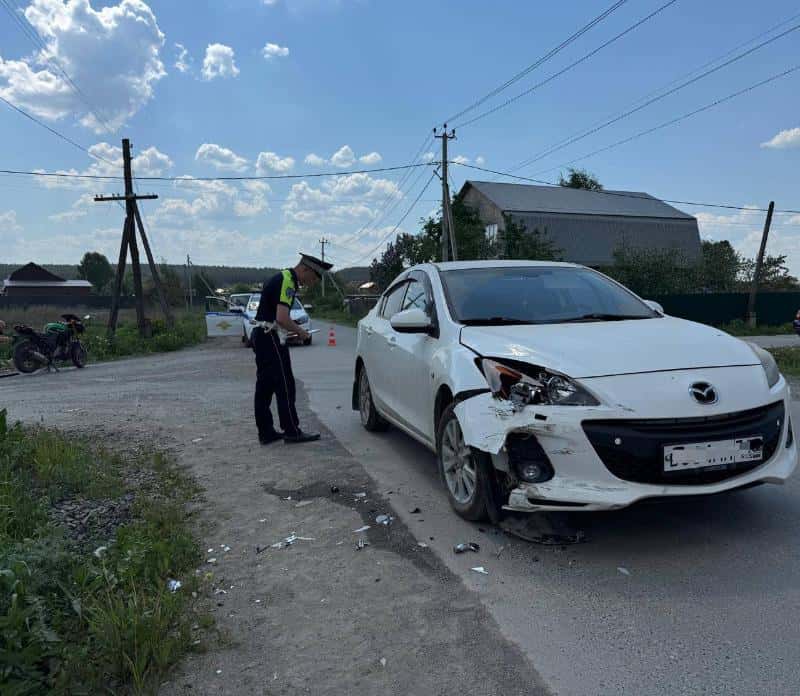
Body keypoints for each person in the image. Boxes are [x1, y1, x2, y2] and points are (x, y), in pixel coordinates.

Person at [252, 254, 331, 445]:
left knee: (265, 386)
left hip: (263, 334)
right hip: (269, 336)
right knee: (285, 384)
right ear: (305, 269)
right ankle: (291, 431)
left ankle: (266, 432)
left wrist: (289, 330)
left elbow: (276, 316)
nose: (310, 283)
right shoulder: (288, 281)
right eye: (312, 279)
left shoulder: (282, 277)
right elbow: (281, 317)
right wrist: (302, 332)